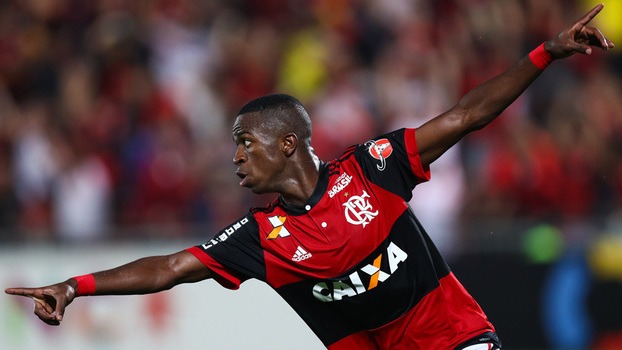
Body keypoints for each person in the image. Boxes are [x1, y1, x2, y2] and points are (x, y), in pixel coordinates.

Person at [5, 4, 614, 350]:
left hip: (455, 341)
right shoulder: (261, 237)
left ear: (288, 143)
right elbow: (169, 268)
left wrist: (545, 53)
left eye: (246, 143)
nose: (237, 157)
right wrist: (76, 286)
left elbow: (465, 115)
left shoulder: (373, 167)